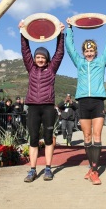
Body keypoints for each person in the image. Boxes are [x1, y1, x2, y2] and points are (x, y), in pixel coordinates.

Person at [65, 15, 106, 185]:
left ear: (95, 51)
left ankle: (94, 170)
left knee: (97, 134)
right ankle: (91, 167)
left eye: (91, 50)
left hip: (98, 101)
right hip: (83, 102)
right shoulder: (79, 62)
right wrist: (70, 29)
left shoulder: (101, 61)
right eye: (86, 51)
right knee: (86, 136)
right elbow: (70, 48)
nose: (89, 53)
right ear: (83, 52)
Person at [19, 19, 65, 183]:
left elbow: (59, 53)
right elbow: (25, 51)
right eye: (37, 57)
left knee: (47, 137)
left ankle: (47, 169)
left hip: (47, 108)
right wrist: (23, 33)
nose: (39, 59)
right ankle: (32, 170)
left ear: (46, 59)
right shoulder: (30, 68)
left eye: (42, 57)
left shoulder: (51, 69)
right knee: (32, 138)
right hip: (32, 107)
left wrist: (61, 34)